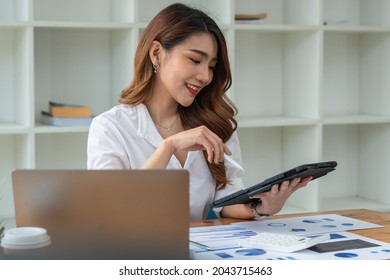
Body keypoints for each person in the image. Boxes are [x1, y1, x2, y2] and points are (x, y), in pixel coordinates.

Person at [87, 3, 312, 220]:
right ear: (156, 53)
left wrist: (260, 207)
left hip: (201, 251)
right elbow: (111, 208)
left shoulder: (215, 123)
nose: (205, 76)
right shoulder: (110, 128)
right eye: (195, 60)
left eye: (211, 66)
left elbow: (225, 199)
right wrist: (169, 146)